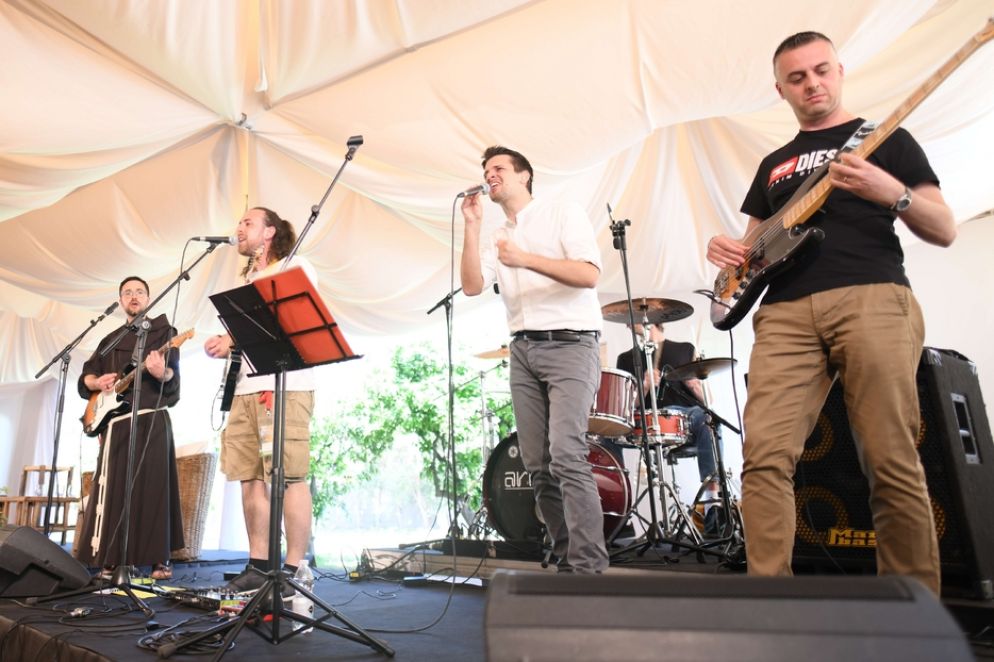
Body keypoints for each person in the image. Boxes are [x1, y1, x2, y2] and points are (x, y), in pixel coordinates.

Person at [706, 32, 955, 594]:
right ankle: (770, 606)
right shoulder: (773, 164)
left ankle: (915, 614)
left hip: (872, 296)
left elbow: (943, 228)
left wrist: (890, 190)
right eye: (797, 77)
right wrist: (728, 253)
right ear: (781, 89)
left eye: (821, 70)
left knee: (890, 461)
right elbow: (753, 249)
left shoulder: (888, 138)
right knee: (763, 460)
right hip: (784, 313)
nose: (811, 83)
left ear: (839, 72)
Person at [461, 145, 607, 574]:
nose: (490, 175)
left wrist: (524, 259)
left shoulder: (562, 212)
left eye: (498, 168)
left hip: (571, 343)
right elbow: (471, 286)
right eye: (485, 170)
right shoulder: (497, 234)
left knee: (566, 454)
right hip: (522, 349)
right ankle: (563, 559)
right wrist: (472, 227)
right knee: (537, 463)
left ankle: (589, 570)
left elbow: (588, 274)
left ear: (524, 175)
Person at [204, 207, 316, 596]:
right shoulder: (248, 278)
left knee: (288, 476)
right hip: (245, 389)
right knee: (248, 477)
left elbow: (292, 319)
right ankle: (259, 564)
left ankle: (295, 569)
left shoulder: (294, 264)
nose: (238, 228)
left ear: (269, 231)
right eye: (238, 222)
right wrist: (224, 345)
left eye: (247, 223)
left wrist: (232, 339)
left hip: (284, 387)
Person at [77, 276, 184, 580]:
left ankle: (159, 559)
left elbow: (174, 383)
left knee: (154, 487)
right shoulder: (109, 340)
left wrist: (160, 372)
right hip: (117, 424)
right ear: (121, 301)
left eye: (139, 292)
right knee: (113, 491)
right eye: (127, 293)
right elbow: (87, 376)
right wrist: (96, 383)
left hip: (152, 418)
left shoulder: (165, 333)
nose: (133, 296)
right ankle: (112, 558)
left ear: (149, 299)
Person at [614, 323, 723, 528]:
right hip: (643, 419)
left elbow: (709, 401)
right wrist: (644, 386)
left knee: (709, 418)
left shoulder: (685, 349)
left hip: (685, 417)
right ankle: (619, 506)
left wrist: (694, 386)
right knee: (605, 432)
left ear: (653, 318)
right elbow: (624, 407)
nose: (629, 321)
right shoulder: (626, 358)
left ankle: (712, 504)